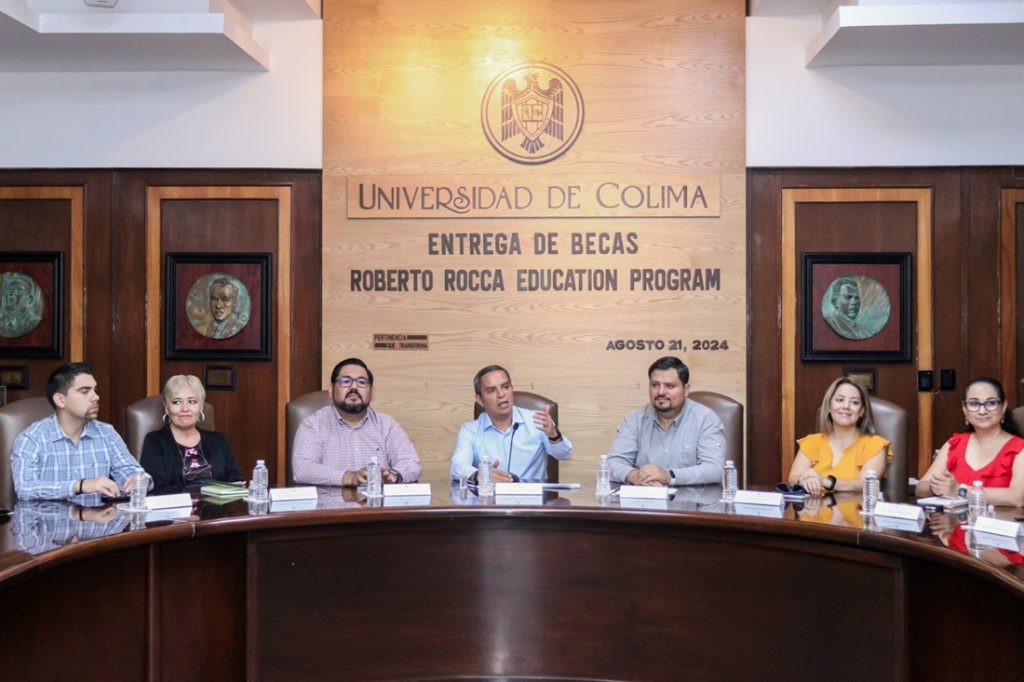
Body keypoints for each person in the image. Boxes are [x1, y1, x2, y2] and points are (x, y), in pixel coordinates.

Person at [12, 363, 147, 500]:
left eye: (95, 390)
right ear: (60, 400)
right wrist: (80, 485)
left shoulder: (107, 433)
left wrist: (139, 480)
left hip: (98, 513)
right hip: (50, 514)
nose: (96, 397)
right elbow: (25, 488)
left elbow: (134, 473)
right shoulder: (32, 438)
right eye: (85, 391)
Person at [292, 358, 421, 486]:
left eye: (361, 382)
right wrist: (348, 477)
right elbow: (302, 469)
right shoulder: (313, 425)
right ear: (331, 390)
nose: (354, 387)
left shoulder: (387, 425)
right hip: (329, 499)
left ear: (372, 392)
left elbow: (411, 463)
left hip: (376, 499)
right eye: (345, 381)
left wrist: (393, 476)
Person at [605, 356, 725, 486]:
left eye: (669, 386)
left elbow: (714, 470)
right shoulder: (635, 419)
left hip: (691, 498)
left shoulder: (705, 419)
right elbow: (611, 464)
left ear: (686, 390)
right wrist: (634, 476)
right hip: (644, 497)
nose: (661, 392)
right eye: (655, 385)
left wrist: (670, 476)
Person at [450, 364, 571, 482]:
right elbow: (457, 466)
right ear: (480, 400)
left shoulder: (537, 420)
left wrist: (553, 435)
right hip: (491, 494)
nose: (501, 394)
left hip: (531, 494)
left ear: (512, 389)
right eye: (491, 390)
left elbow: (564, 454)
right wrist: (481, 474)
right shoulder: (470, 430)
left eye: (505, 387)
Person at [915, 377, 1024, 506]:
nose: (982, 411)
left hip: (1000, 518)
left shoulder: (1020, 448)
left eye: (991, 403)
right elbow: (920, 487)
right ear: (964, 409)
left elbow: (1017, 498)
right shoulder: (955, 443)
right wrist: (936, 487)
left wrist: (959, 490)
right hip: (953, 518)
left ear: (1003, 406)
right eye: (974, 404)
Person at [787, 377, 891, 495]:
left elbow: (864, 484)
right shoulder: (812, 442)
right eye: (840, 400)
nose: (846, 406)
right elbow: (793, 478)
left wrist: (825, 481)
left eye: (854, 402)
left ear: (862, 411)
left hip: (855, 506)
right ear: (829, 406)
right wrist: (805, 480)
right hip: (813, 506)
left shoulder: (875, 445)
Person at [140, 375, 243, 492]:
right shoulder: (155, 441)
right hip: (175, 504)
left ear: (201, 407)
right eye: (176, 402)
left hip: (220, 504)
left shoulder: (218, 440)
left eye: (192, 401)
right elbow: (156, 486)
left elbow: (235, 480)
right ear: (167, 408)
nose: (185, 408)